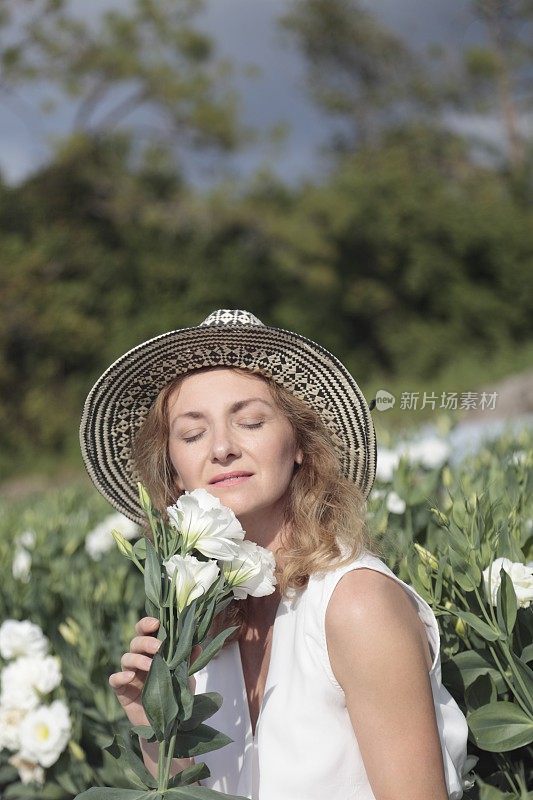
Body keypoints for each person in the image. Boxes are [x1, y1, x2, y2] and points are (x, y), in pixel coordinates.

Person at [80, 308, 469, 800]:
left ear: (300, 443)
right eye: (193, 433)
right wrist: (156, 721)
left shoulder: (355, 604)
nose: (221, 448)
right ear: (175, 471)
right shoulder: (198, 625)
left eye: (250, 421)